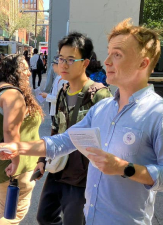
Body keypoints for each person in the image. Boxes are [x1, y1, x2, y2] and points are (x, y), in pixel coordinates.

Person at [0, 18, 163, 225]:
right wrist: (18, 147)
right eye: (109, 52)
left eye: (118, 55)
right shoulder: (102, 109)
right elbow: (63, 141)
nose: (107, 62)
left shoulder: (156, 114)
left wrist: (125, 168)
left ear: (143, 63)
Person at [36, 32, 112, 225]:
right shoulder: (63, 91)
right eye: (61, 59)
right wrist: (42, 159)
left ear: (85, 63)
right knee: (44, 217)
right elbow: (56, 127)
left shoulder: (99, 95)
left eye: (71, 59)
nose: (63, 64)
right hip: (59, 168)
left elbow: (109, 138)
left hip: (83, 175)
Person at [0, 54, 44, 224]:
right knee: (13, 215)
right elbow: (10, 131)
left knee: (5, 210)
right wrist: (16, 162)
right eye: (25, 69)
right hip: (15, 166)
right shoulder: (13, 95)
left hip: (2, 164)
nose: (29, 73)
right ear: (13, 71)